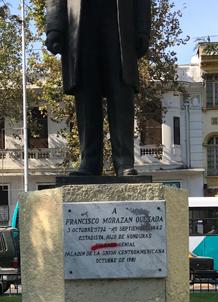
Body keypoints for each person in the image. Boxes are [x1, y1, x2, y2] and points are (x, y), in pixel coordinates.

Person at [45, 0, 151, 176]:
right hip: (82, 23)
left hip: (119, 23)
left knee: (121, 93)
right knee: (86, 94)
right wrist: (55, 28)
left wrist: (142, 29)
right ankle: (89, 161)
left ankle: (124, 161)